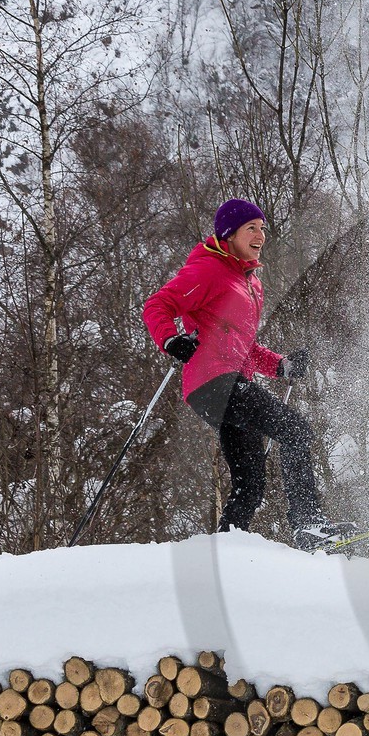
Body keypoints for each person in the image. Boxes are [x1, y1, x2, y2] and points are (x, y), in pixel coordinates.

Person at [142, 198, 352, 550]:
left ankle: (224, 551)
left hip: (232, 383)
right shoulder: (209, 270)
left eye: (262, 228)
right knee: (294, 428)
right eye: (250, 228)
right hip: (214, 382)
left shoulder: (250, 284)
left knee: (250, 484)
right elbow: (158, 305)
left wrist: (282, 366)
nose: (260, 235)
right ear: (229, 234)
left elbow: (245, 346)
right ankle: (309, 523)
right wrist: (170, 339)